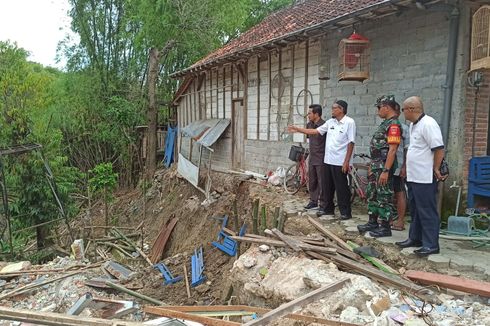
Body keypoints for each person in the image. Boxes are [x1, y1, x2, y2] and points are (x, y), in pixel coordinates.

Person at [288, 100, 356, 220]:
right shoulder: (330, 123)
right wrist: (298, 129)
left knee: (341, 188)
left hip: (340, 162)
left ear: (341, 109)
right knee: (327, 187)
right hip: (328, 160)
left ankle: (345, 212)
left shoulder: (349, 122)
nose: (332, 110)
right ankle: (328, 209)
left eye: (334, 108)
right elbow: (315, 131)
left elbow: (351, 143)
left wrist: (346, 161)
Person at [395, 96, 445, 257]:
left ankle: (431, 244)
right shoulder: (413, 125)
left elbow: (439, 148)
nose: (403, 112)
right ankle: (415, 238)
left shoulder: (428, 124)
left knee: (427, 210)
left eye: (403, 109)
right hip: (414, 176)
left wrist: (436, 168)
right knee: (415, 209)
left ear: (411, 109)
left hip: (425, 176)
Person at [357, 95, 401, 237]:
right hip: (376, 166)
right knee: (373, 194)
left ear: (386, 107)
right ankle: (373, 222)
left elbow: (392, 149)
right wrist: (372, 165)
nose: (377, 111)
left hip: (383, 168)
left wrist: (386, 170)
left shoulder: (393, 125)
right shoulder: (385, 123)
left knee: (384, 196)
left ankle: (385, 227)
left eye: (378, 107)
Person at [304, 104, 326, 210]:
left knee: (322, 181)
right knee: (312, 180)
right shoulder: (309, 125)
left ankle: (323, 203)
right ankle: (313, 201)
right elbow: (309, 139)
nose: (308, 115)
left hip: (321, 157)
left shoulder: (324, 125)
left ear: (316, 114)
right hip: (312, 157)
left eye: (309, 113)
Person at [391, 102, 409, 231]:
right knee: (388, 194)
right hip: (386, 165)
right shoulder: (386, 126)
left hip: (397, 165)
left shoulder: (403, 128)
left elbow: (408, 149)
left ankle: (401, 220)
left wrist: (404, 167)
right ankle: (390, 219)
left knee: (399, 192)